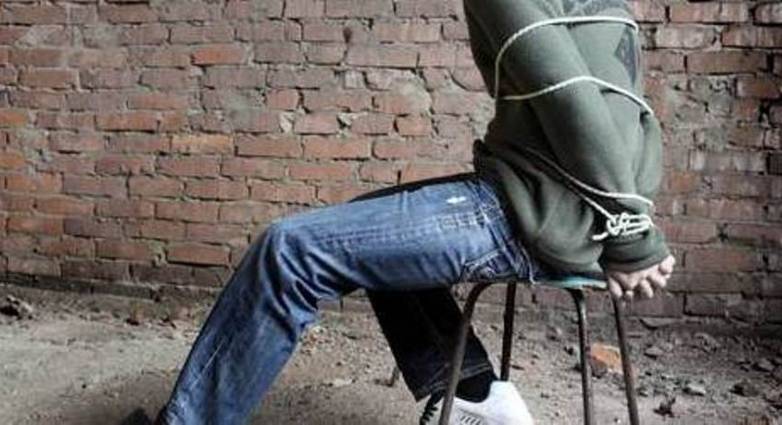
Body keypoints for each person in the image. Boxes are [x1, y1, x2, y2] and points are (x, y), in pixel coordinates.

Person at [154, 0, 676, 423]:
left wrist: (632, 235)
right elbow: (636, 117)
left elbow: (573, 99)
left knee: (289, 250)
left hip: (531, 213)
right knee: (372, 218)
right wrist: (632, 213)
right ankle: (474, 396)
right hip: (568, 205)